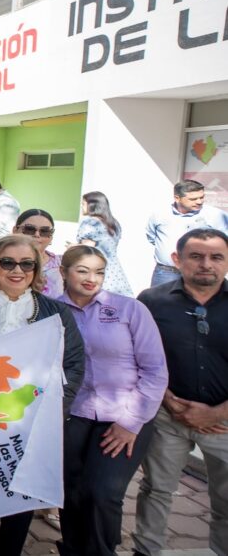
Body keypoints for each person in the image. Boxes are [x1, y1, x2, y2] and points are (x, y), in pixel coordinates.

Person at [0, 235, 85, 556]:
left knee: (22, 488)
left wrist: (51, 411)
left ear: (36, 271)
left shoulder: (56, 313)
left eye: (26, 263)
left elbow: (75, 364)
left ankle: (9, 551)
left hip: (31, 420)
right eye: (7, 262)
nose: (17, 270)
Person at [55, 245, 167, 556]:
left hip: (125, 414)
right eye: (82, 270)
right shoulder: (51, 311)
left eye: (99, 272)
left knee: (104, 492)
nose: (92, 278)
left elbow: (155, 370)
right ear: (63, 272)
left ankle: (102, 550)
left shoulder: (129, 310)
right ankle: (72, 549)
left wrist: (131, 422)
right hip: (72, 412)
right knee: (71, 490)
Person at [134, 228, 228, 555]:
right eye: (196, 256)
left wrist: (217, 412)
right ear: (177, 260)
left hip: (223, 423)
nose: (206, 264)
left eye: (216, 257)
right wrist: (163, 399)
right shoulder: (151, 301)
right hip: (166, 417)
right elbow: (134, 355)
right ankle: (146, 551)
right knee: (156, 490)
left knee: (226, 501)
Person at [145, 179, 228, 286]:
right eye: (193, 199)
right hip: (167, 273)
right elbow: (152, 237)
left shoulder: (216, 215)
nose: (199, 201)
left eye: (201, 197)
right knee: (158, 302)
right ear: (177, 198)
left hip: (201, 272)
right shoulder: (160, 215)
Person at [76, 191, 132, 296]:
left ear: (92, 205)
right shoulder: (113, 223)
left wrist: (72, 248)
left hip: (96, 270)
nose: (81, 207)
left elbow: (87, 249)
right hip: (114, 271)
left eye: (83, 204)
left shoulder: (91, 222)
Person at [13, 209, 64, 298]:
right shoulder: (0, 260)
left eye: (44, 231)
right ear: (15, 230)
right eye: (29, 229)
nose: (37, 235)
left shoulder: (62, 264)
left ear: (51, 236)